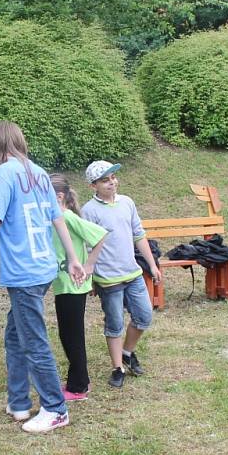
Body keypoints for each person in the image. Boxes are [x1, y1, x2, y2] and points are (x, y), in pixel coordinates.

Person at [0, 121, 86, 434]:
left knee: (33, 340)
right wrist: (71, 258)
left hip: (25, 273)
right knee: (16, 335)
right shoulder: (39, 173)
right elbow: (57, 218)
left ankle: (55, 409)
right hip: (42, 268)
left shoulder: (3, 174)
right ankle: (18, 402)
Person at [80, 161, 161, 388]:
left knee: (144, 317)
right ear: (93, 185)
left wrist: (152, 265)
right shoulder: (88, 211)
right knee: (114, 324)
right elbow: (87, 246)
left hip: (133, 273)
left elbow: (139, 234)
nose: (112, 182)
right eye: (105, 180)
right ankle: (118, 368)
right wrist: (92, 278)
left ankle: (127, 352)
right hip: (108, 279)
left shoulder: (127, 202)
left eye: (113, 178)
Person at [49, 174, 107, 401]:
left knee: (72, 336)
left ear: (59, 197)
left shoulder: (66, 216)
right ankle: (78, 381)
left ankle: (78, 386)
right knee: (67, 334)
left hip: (73, 285)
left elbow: (100, 236)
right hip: (63, 284)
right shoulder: (57, 217)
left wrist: (89, 265)